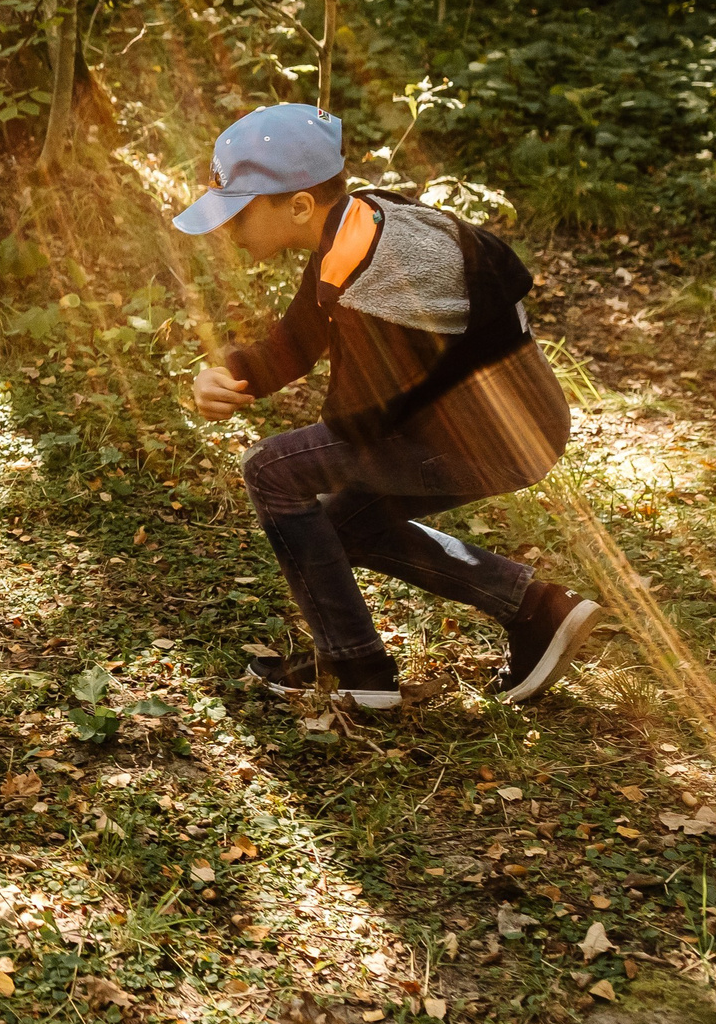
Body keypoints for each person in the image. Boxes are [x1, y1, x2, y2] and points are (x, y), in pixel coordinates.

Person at [177, 103, 598, 710]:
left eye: (238, 211)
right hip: (498, 421)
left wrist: (291, 455)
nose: (226, 227)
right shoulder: (355, 229)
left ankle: (356, 674)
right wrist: (227, 377)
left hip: (498, 433)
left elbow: (358, 426)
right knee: (342, 521)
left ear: (298, 204)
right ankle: (535, 610)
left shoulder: (382, 276)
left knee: (273, 470)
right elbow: (297, 340)